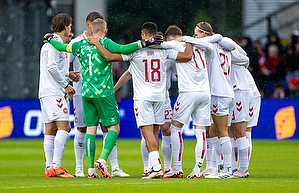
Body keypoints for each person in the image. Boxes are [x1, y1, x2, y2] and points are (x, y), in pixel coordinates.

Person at [44, 18, 163, 178]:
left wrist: (51, 38)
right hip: (104, 92)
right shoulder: (106, 43)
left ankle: (90, 170)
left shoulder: (80, 44)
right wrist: (144, 43)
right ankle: (101, 160)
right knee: (114, 128)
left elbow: (61, 46)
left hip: (86, 93)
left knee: (90, 130)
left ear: (91, 30)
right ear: (105, 31)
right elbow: (124, 48)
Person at [88, 21, 193, 179]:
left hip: (143, 97)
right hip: (160, 96)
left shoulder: (136, 51)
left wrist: (97, 43)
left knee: (146, 132)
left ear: (143, 35)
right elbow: (187, 56)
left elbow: (109, 56)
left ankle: (156, 166)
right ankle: (153, 166)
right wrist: (190, 40)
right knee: (155, 132)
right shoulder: (164, 50)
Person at [67, 12, 129, 178]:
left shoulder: (92, 43)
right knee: (83, 127)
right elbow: (64, 63)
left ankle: (113, 166)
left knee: (102, 127)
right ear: (88, 25)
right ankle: (80, 167)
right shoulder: (77, 42)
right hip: (82, 91)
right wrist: (69, 76)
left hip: (89, 91)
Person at [156, 25, 216, 179]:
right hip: (205, 93)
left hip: (188, 93)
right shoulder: (201, 46)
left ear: (170, 38)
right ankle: (197, 169)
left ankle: (177, 167)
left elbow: (159, 44)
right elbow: (214, 41)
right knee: (201, 131)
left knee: (175, 128)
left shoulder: (175, 44)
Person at [184, 22, 236, 178]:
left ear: (205, 34)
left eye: (196, 34)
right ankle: (216, 167)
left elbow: (202, 42)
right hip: (226, 92)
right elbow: (231, 45)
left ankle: (227, 169)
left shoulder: (211, 46)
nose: (195, 37)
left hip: (218, 93)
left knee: (222, 132)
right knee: (213, 131)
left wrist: (185, 38)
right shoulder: (224, 46)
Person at [40, 13, 75, 178]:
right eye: (70, 26)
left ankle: (49, 168)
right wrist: (66, 86)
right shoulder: (56, 43)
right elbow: (52, 67)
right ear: (66, 25)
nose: (71, 29)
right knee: (64, 127)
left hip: (45, 91)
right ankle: (57, 166)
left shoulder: (50, 42)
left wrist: (69, 75)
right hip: (54, 92)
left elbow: (56, 68)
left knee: (50, 129)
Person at [219, 37, 251, 178]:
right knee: (231, 131)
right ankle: (232, 167)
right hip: (231, 91)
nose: (196, 37)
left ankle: (243, 169)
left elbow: (245, 59)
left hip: (239, 89)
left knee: (240, 131)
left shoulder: (224, 43)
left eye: (197, 34)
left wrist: (220, 41)